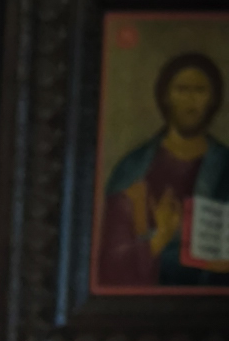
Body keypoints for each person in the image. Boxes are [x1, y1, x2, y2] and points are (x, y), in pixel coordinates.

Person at [95, 52, 229, 289]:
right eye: (182, 89)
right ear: (165, 96)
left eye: (200, 90)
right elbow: (110, 264)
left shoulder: (226, 164)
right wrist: (159, 238)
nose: (190, 99)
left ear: (213, 99)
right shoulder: (133, 168)